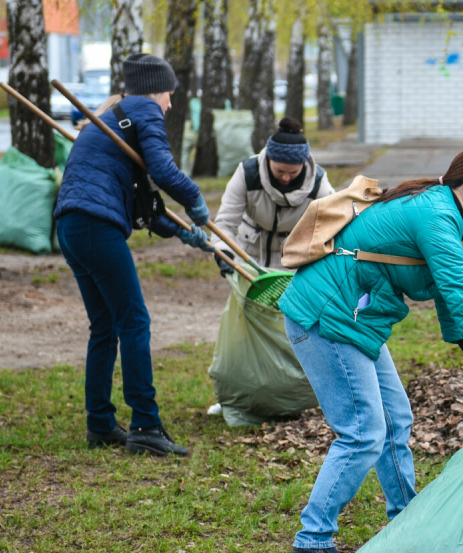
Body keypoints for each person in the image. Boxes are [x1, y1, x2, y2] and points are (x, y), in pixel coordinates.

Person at [277, 145, 463, 553]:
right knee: (363, 432)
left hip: (354, 321)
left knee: (396, 420)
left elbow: (457, 310)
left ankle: (406, 521)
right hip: (326, 317)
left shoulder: (440, 212)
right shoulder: (434, 216)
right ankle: (312, 542)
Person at [53, 52, 211, 458]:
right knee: (134, 322)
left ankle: (100, 424)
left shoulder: (114, 119)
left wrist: (184, 233)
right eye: (169, 94)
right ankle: (145, 425)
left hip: (71, 226)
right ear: (155, 90)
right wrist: (194, 199)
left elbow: (146, 207)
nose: (170, 104)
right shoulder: (144, 110)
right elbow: (163, 170)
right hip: (95, 226)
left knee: (105, 326)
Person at [212, 117, 334, 271]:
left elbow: (333, 227)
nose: (286, 178)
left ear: (303, 165)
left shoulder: (318, 183)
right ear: (269, 160)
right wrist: (223, 253)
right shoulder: (247, 173)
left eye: (293, 172)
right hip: (248, 260)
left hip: (293, 264)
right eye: (279, 171)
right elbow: (226, 222)